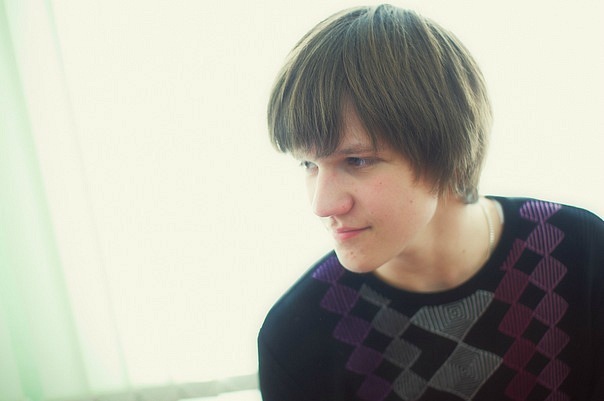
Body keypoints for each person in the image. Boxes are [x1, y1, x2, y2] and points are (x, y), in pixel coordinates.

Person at [257, 4, 603, 401]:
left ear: (446, 149)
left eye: (357, 161)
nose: (322, 205)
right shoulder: (296, 340)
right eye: (308, 164)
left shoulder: (580, 254)